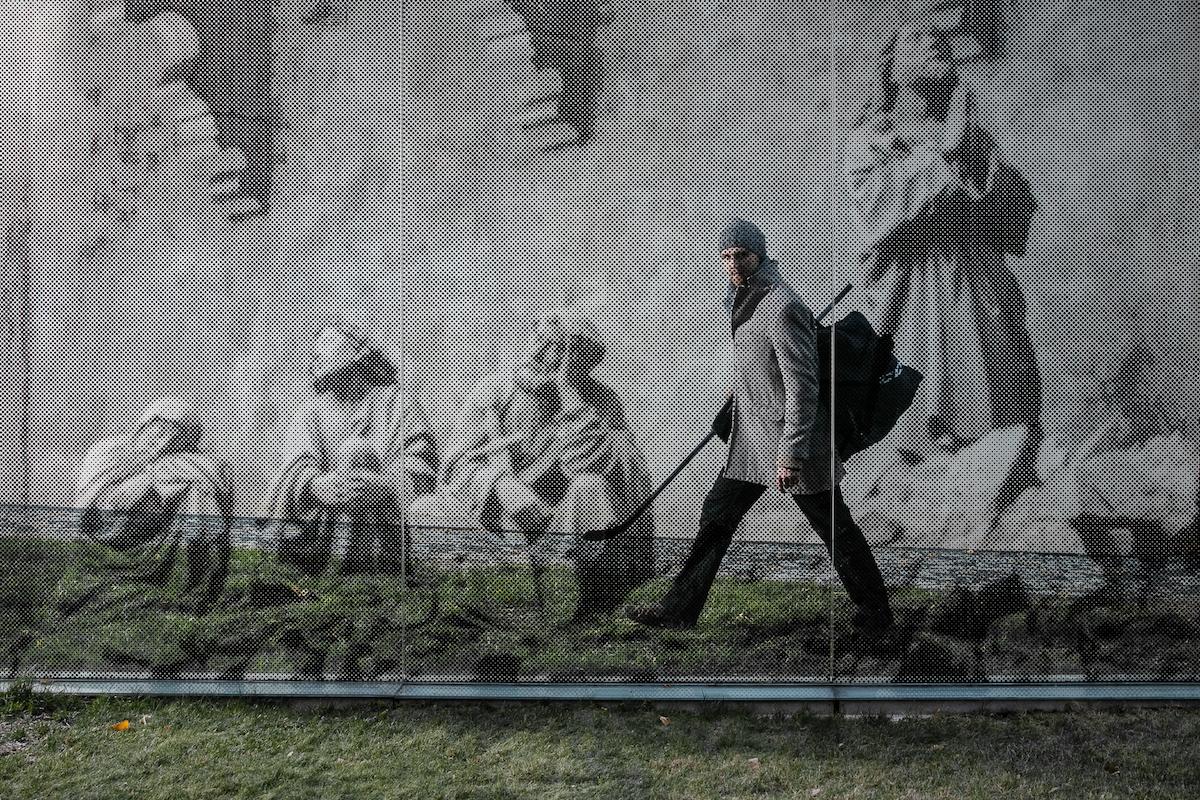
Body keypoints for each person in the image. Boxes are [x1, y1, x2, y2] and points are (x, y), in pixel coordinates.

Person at [625, 219, 894, 631]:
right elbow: (759, 371)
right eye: (727, 256)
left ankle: (876, 615)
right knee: (717, 516)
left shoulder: (781, 305)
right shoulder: (744, 300)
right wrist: (730, 409)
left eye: (742, 255)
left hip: (793, 442)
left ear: (760, 255)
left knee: (834, 527)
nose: (734, 264)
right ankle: (678, 611)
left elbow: (802, 385)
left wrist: (792, 453)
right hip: (752, 443)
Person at [845, 10, 1040, 458]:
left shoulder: (973, 137)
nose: (935, 42)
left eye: (940, 39)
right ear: (891, 68)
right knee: (926, 420)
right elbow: (878, 214)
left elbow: (1013, 223)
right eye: (917, 37)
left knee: (1001, 406)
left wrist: (975, 161)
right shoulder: (874, 139)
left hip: (981, 283)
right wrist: (945, 159)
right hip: (917, 291)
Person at [409, 308, 655, 620]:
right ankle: (502, 587)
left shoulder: (599, 403)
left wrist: (575, 405)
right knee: (425, 510)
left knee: (590, 488)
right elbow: (453, 466)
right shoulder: (495, 391)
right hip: (496, 529)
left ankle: (566, 595)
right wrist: (499, 484)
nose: (535, 351)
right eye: (534, 338)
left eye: (555, 347)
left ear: (580, 364)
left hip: (561, 532)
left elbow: (633, 477)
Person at [261, 324, 438, 575]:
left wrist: (387, 486)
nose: (340, 381)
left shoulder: (396, 402)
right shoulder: (311, 410)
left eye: (346, 371)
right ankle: (329, 567)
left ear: (362, 365)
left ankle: (377, 565)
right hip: (324, 524)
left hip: (386, 517)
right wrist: (315, 485)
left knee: (357, 450)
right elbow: (294, 465)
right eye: (333, 376)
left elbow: (420, 458)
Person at [72, 398, 233, 607]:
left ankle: (197, 589)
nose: (163, 440)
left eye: (177, 436)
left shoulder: (183, 464)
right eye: (159, 428)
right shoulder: (108, 450)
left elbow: (219, 504)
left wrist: (175, 473)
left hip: (151, 543)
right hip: (104, 538)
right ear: (144, 425)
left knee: (199, 491)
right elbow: (102, 509)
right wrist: (153, 475)